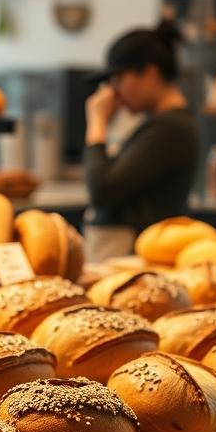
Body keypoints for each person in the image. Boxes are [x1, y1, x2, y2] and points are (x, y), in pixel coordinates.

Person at [82, 18, 199, 261]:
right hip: (133, 254)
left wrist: (97, 122)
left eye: (119, 79)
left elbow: (103, 189)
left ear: (149, 73)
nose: (115, 92)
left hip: (136, 258)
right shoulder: (164, 124)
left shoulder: (170, 127)